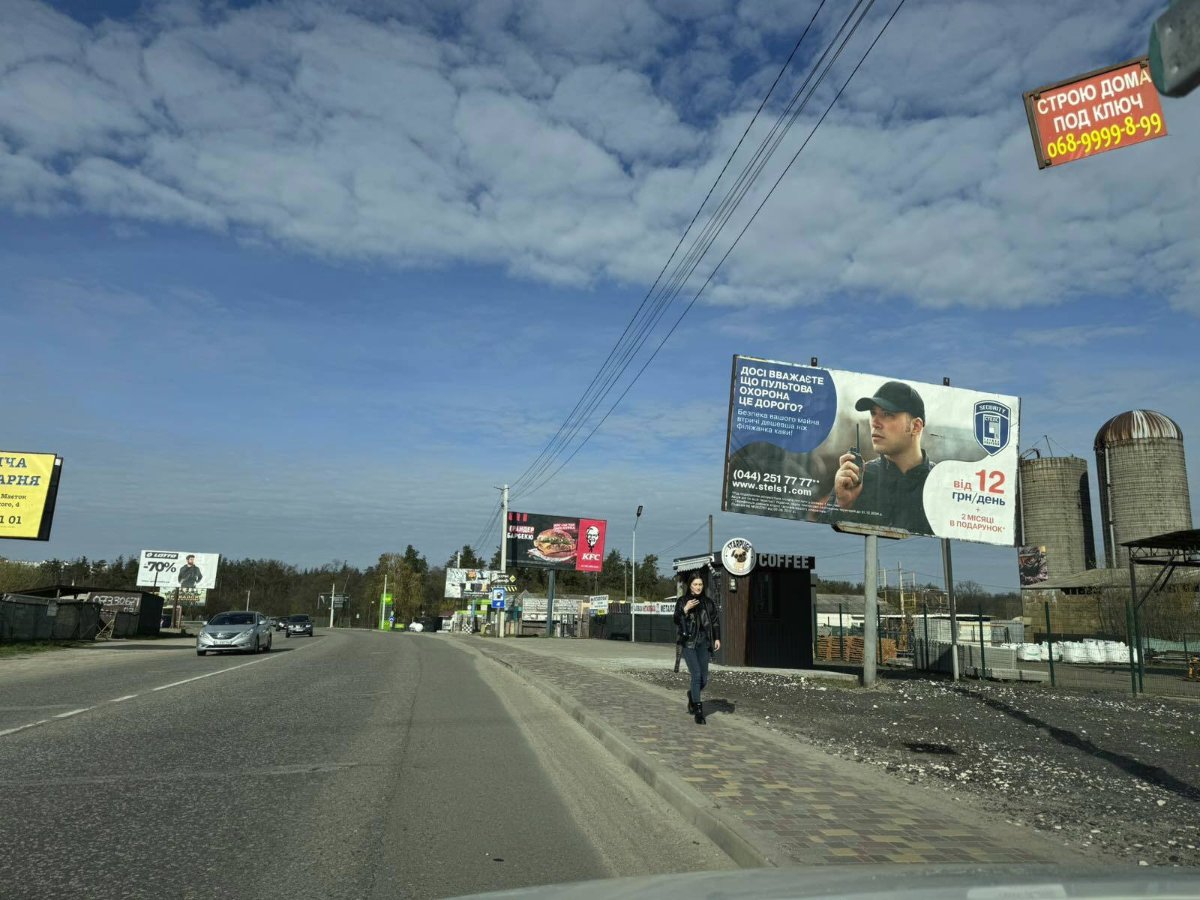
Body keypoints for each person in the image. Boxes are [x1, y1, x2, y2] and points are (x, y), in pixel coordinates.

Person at [823, 380, 934, 535]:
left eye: (888, 414)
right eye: (873, 413)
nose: (875, 423)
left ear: (915, 426)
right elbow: (824, 544)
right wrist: (843, 505)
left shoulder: (940, 483)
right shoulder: (855, 478)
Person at [673, 572, 721, 725]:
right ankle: (698, 711)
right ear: (690, 585)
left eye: (700, 584)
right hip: (688, 642)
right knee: (697, 674)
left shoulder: (708, 602)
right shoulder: (682, 600)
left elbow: (714, 622)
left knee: (704, 678)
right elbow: (676, 619)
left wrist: (717, 638)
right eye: (695, 584)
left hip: (704, 642)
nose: (698, 587)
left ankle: (692, 695)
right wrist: (685, 609)